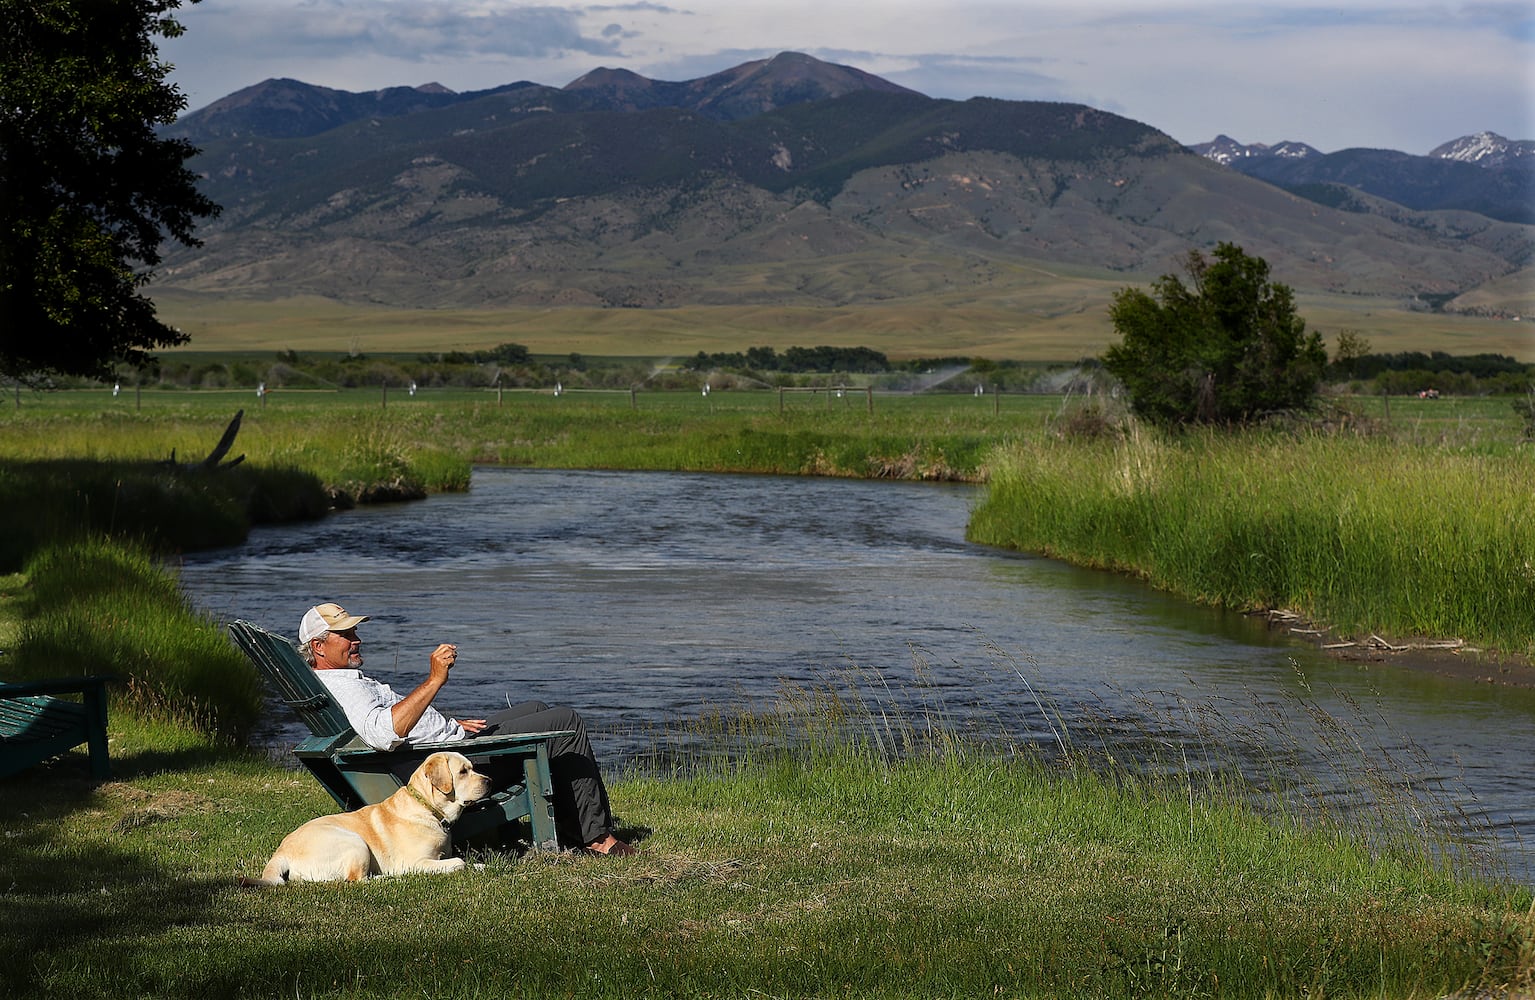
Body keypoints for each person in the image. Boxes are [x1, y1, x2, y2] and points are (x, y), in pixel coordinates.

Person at [296, 602, 635, 856]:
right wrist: (435, 680)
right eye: (346, 635)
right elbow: (384, 734)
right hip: (450, 771)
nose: (356, 640)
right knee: (566, 722)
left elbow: (392, 723)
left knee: (537, 710)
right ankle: (597, 838)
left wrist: (442, 725)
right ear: (319, 646)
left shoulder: (334, 682)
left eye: (355, 632)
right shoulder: (346, 688)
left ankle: (571, 825)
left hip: (443, 748)